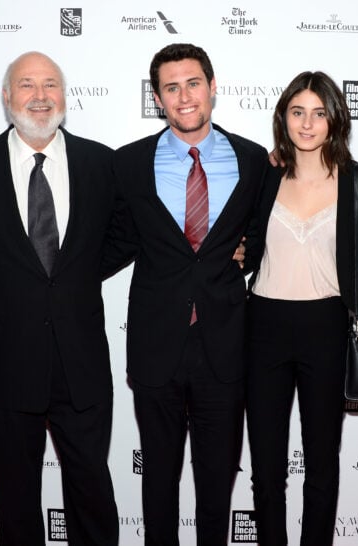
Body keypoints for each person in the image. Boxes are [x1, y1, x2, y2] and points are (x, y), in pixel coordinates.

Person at [0, 52, 119, 545]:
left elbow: (130, 234)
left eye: (51, 85)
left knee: (91, 492)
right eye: (26, 85)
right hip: (6, 361)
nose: (40, 96)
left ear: (65, 96)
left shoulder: (101, 163)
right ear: (6, 97)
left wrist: (75, 275)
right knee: (16, 498)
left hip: (81, 361)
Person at [109, 43, 268, 545]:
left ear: (213, 86)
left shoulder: (254, 159)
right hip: (156, 345)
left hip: (225, 345)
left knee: (217, 484)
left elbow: (267, 237)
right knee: (157, 480)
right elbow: (109, 242)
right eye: (171, 87)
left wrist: (251, 253)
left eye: (193, 83)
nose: (184, 96)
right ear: (157, 97)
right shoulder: (128, 164)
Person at [243, 71, 358, 546]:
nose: (308, 123)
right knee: (266, 467)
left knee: (322, 463)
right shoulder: (264, 174)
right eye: (298, 112)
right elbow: (243, 241)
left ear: (335, 120)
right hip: (264, 324)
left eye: (319, 113)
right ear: (284, 117)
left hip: (327, 325)